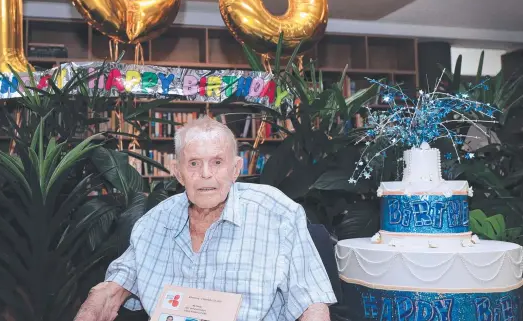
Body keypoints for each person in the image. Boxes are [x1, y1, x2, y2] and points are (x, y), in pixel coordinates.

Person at [74, 116, 336, 321]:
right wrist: (89, 312)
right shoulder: (154, 223)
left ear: (235, 169)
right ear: (178, 172)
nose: (206, 174)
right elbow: (110, 291)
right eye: (194, 164)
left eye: (218, 162)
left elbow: (313, 303)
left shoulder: (278, 214)